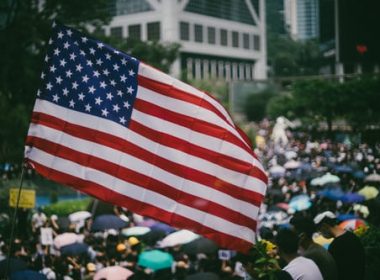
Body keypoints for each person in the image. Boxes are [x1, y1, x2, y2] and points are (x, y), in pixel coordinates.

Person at [314, 211, 365, 280]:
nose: (321, 234)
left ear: (325, 226)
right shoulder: (352, 236)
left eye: (320, 230)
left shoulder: (335, 246)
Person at [290, 216, 338, 280]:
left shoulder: (310, 255)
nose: (289, 237)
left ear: (302, 236)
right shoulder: (316, 248)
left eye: (292, 234)